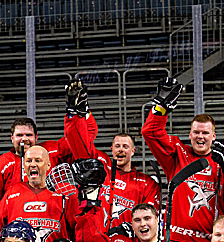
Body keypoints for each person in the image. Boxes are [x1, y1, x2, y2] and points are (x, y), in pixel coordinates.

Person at [140, 76, 224, 242]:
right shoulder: (178, 153)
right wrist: (160, 107)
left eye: (205, 133)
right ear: (190, 134)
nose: (200, 137)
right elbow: (150, 132)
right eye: (196, 132)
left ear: (213, 136)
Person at [61, 80, 159, 232]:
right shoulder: (101, 168)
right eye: (117, 146)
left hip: (126, 241)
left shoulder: (146, 183)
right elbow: (80, 143)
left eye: (125, 147)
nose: (121, 150)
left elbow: (151, 216)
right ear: (111, 149)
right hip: (95, 236)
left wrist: (127, 229)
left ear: (133, 151)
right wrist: (76, 115)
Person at [0, 110, 84, 203]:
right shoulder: (1, 163)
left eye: (29, 135)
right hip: (17, 214)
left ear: (36, 137)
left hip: (52, 211)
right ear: (12, 138)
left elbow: (78, 140)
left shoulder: (53, 150)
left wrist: (78, 116)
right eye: (19, 135)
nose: (24, 139)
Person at [0, 145, 79, 242]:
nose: (33, 164)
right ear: (24, 165)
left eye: (38, 160)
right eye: (29, 161)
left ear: (48, 165)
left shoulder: (65, 192)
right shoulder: (12, 193)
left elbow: (78, 231)